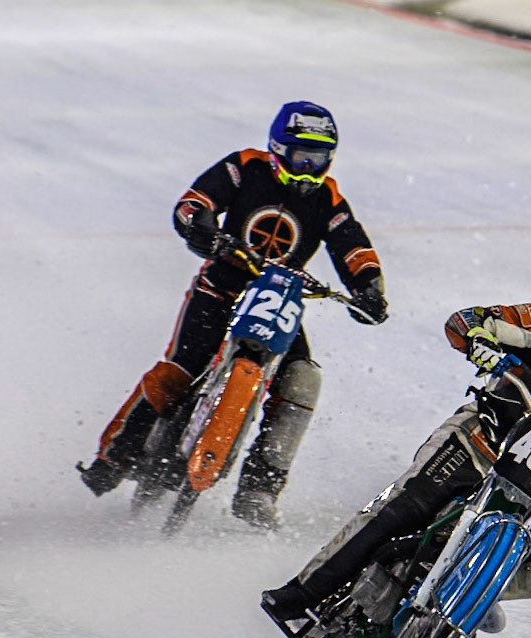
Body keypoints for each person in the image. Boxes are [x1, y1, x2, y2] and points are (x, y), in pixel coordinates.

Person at [261, 272, 531, 632]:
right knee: (397, 509)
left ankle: (474, 591)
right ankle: (301, 593)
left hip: (526, 498)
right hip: (472, 445)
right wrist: (479, 338)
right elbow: (468, 321)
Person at [78, 102, 389, 529]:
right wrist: (201, 225)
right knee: (182, 368)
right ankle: (114, 457)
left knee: (302, 379)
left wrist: (368, 286)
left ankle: (260, 489)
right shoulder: (246, 167)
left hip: (278, 303)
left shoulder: (328, 198)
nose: (307, 170)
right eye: (300, 157)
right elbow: (195, 201)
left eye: (317, 160)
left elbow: (350, 242)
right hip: (220, 286)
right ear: (277, 149)